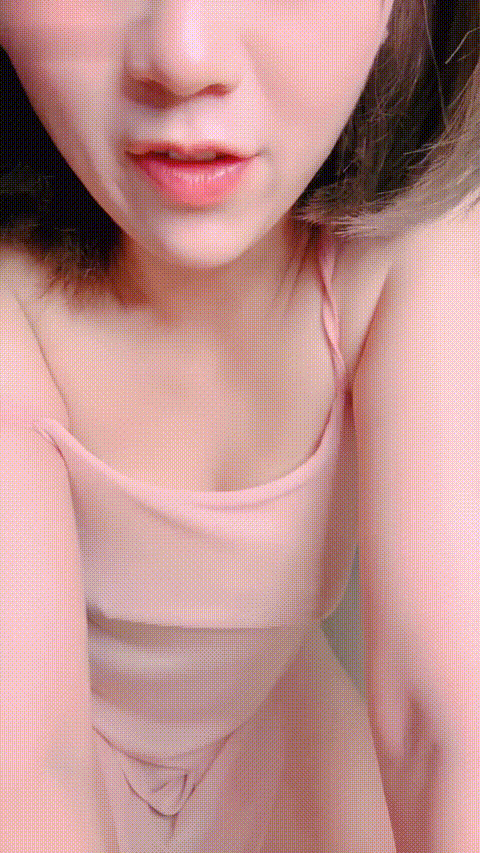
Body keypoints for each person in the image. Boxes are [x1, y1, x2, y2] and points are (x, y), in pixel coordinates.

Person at [1, 2, 478, 851]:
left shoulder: (414, 249)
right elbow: (28, 759)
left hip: (287, 767)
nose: (185, 58)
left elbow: (445, 723)